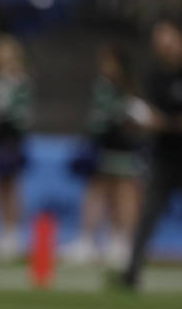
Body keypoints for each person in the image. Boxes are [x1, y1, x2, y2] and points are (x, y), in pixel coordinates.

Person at [65, 44, 145, 266]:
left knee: (124, 191)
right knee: (98, 190)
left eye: (109, 62)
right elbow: (98, 119)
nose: (104, 67)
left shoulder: (128, 88)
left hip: (123, 147)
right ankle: (88, 239)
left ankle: (122, 240)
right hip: (102, 147)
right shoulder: (103, 87)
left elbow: (135, 117)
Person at [119, 17, 182, 289]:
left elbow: (163, 120)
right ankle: (132, 271)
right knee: (148, 214)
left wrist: (163, 123)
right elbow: (149, 116)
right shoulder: (155, 76)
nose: (161, 42)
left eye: (166, 35)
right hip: (165, 157)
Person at [0, 34, 32, 261]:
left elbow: (20, 111)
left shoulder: (17, 79)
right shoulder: (0, 78)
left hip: (11, 135)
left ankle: (14, 232)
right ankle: (2, 230)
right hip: (0, 134)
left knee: (11, 184)